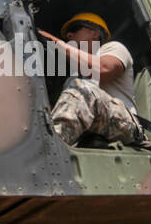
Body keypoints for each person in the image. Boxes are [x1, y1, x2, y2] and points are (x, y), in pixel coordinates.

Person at [37, 12, 141, 146]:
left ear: (95, 33)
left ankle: (49, 148)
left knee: (82, 90)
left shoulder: (113, 48)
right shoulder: (73, 77)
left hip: (127, 125)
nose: (69, 35)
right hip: (89, 130)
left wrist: (56, 42)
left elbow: (103, 69)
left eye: (74, 29)